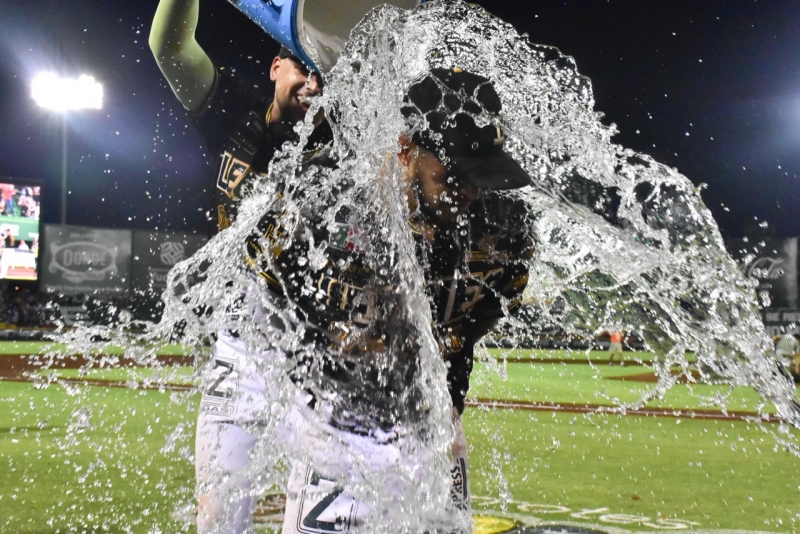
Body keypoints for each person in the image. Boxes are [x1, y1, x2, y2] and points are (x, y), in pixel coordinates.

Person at [245, 67, 534, 532]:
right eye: (455, 173)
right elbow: (264, 288)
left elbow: (480, 315)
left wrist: (448, 392)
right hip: (333, 420)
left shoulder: (504, 225)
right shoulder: (323, 197)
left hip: (430, 418)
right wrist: (321, 354)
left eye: (483, 175)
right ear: (405, 149)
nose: (472, 192)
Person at [149, 1, 331, 532]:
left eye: (323, 76)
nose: (314, 87)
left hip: (320, 350)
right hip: (241, 341)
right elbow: (169, 47)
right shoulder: (234, 110)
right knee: (219, 521)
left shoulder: (343, 142)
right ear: (276, 66)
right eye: (302, 68)